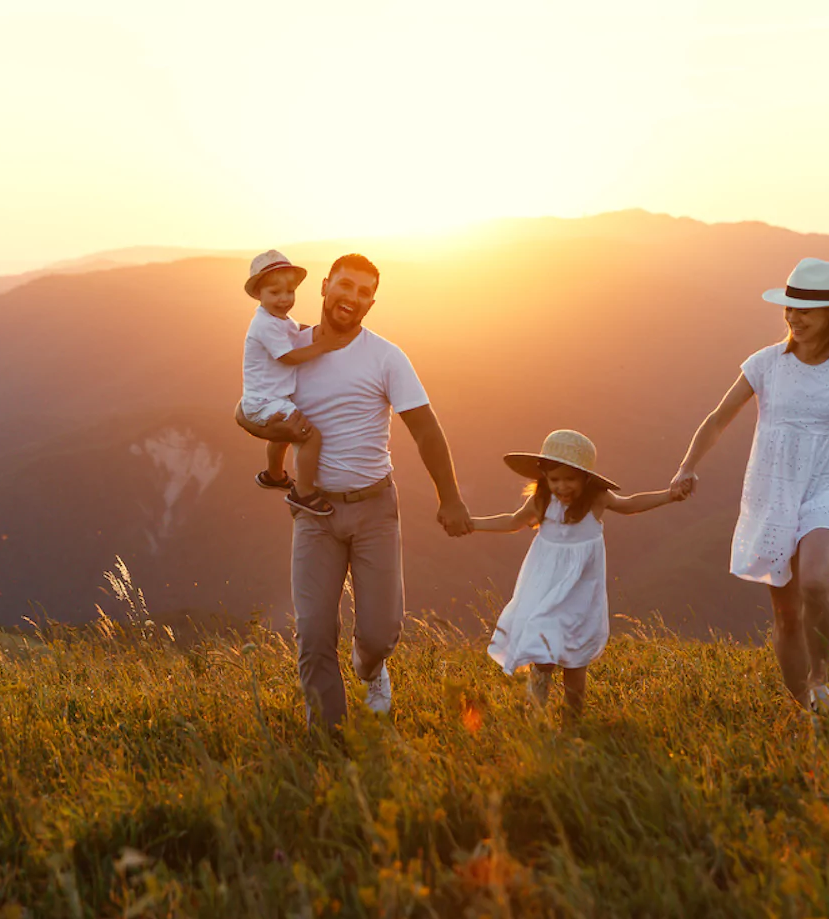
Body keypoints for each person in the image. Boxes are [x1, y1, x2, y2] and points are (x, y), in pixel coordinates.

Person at [671, 258, 829, 712]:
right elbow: (718, 418)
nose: (793, 317)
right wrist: (687, 465)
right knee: (787, 614)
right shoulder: (765, 364)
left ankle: (821, 679)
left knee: (814, 580)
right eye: (789, 309)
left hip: (828, 484)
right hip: (774, 492)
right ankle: (804, 708)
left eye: (804, 311)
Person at [235, 253, 474, 728]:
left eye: (364, 292)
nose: (353, 298)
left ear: (372, 302)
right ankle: (328, 737)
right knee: (314, 632)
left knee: (381, 632)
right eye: (345, 286)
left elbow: (425, 429)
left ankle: (371, 667)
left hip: (374, 508)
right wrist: (255, 428)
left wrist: (450, 497)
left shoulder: (386, 356)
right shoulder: (290, 346)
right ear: (324, 287)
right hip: (315, 512)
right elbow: (248, 408)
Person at [472, 430, 688, 720]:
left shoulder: (597, 499)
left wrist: (669, 496)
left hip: (580, 591)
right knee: (542, 651)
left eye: (570, 479)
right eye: (554, 479)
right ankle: (534, 716)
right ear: (544, 478)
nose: (562, 486)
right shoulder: (542, 501)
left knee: (575, 659)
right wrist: (472, 524)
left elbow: (630, 504)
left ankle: (572, 721)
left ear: (586, 478)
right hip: (545, 585)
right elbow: (512, 522)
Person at [239, 249, 349, 515]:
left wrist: (313, 331)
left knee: (284, 434)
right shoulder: (263, 325)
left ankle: (273, 475)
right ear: (258, 294)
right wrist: (323, 346)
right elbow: (288, 356)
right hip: (263, 402)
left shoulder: (278, 320)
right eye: (275, 293)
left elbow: (294, 329)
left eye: (289, 292)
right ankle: (305, 493)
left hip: (268, 399)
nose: (284, 299)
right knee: (310, 437)